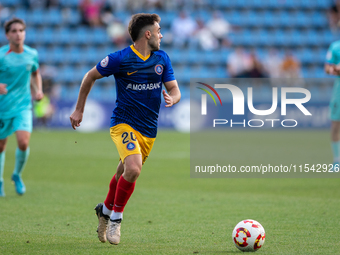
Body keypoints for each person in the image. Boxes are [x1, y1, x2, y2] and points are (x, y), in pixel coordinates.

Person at [69, 13, 181, 245]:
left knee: (123, 173)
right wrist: (79, 109)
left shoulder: (162, 58)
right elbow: (89, 77)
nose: (162, 35)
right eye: (158, 30)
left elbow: (175, 89)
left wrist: (174, 98)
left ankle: (105, 211)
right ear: (147, 34)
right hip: (123, 123)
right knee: (133, 169)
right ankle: (116, 219)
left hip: (149, 130)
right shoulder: (120, 58)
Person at [0, 18, 43, 197]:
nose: (18, 34)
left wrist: (38, 90)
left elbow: (35, 72)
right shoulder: (2, 55)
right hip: (3, 107)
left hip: (23, 106)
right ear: (7, 34)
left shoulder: (31, 54)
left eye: (21, 30)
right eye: (14, 31)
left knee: (23, 143)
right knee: (1, 147)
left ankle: (16, 175)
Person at [325, 40, 340, 169]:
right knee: (335, 125)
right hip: (338, 91)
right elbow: (327, 68)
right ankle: (337, 161)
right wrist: (334, 70)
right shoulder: (335, 47)